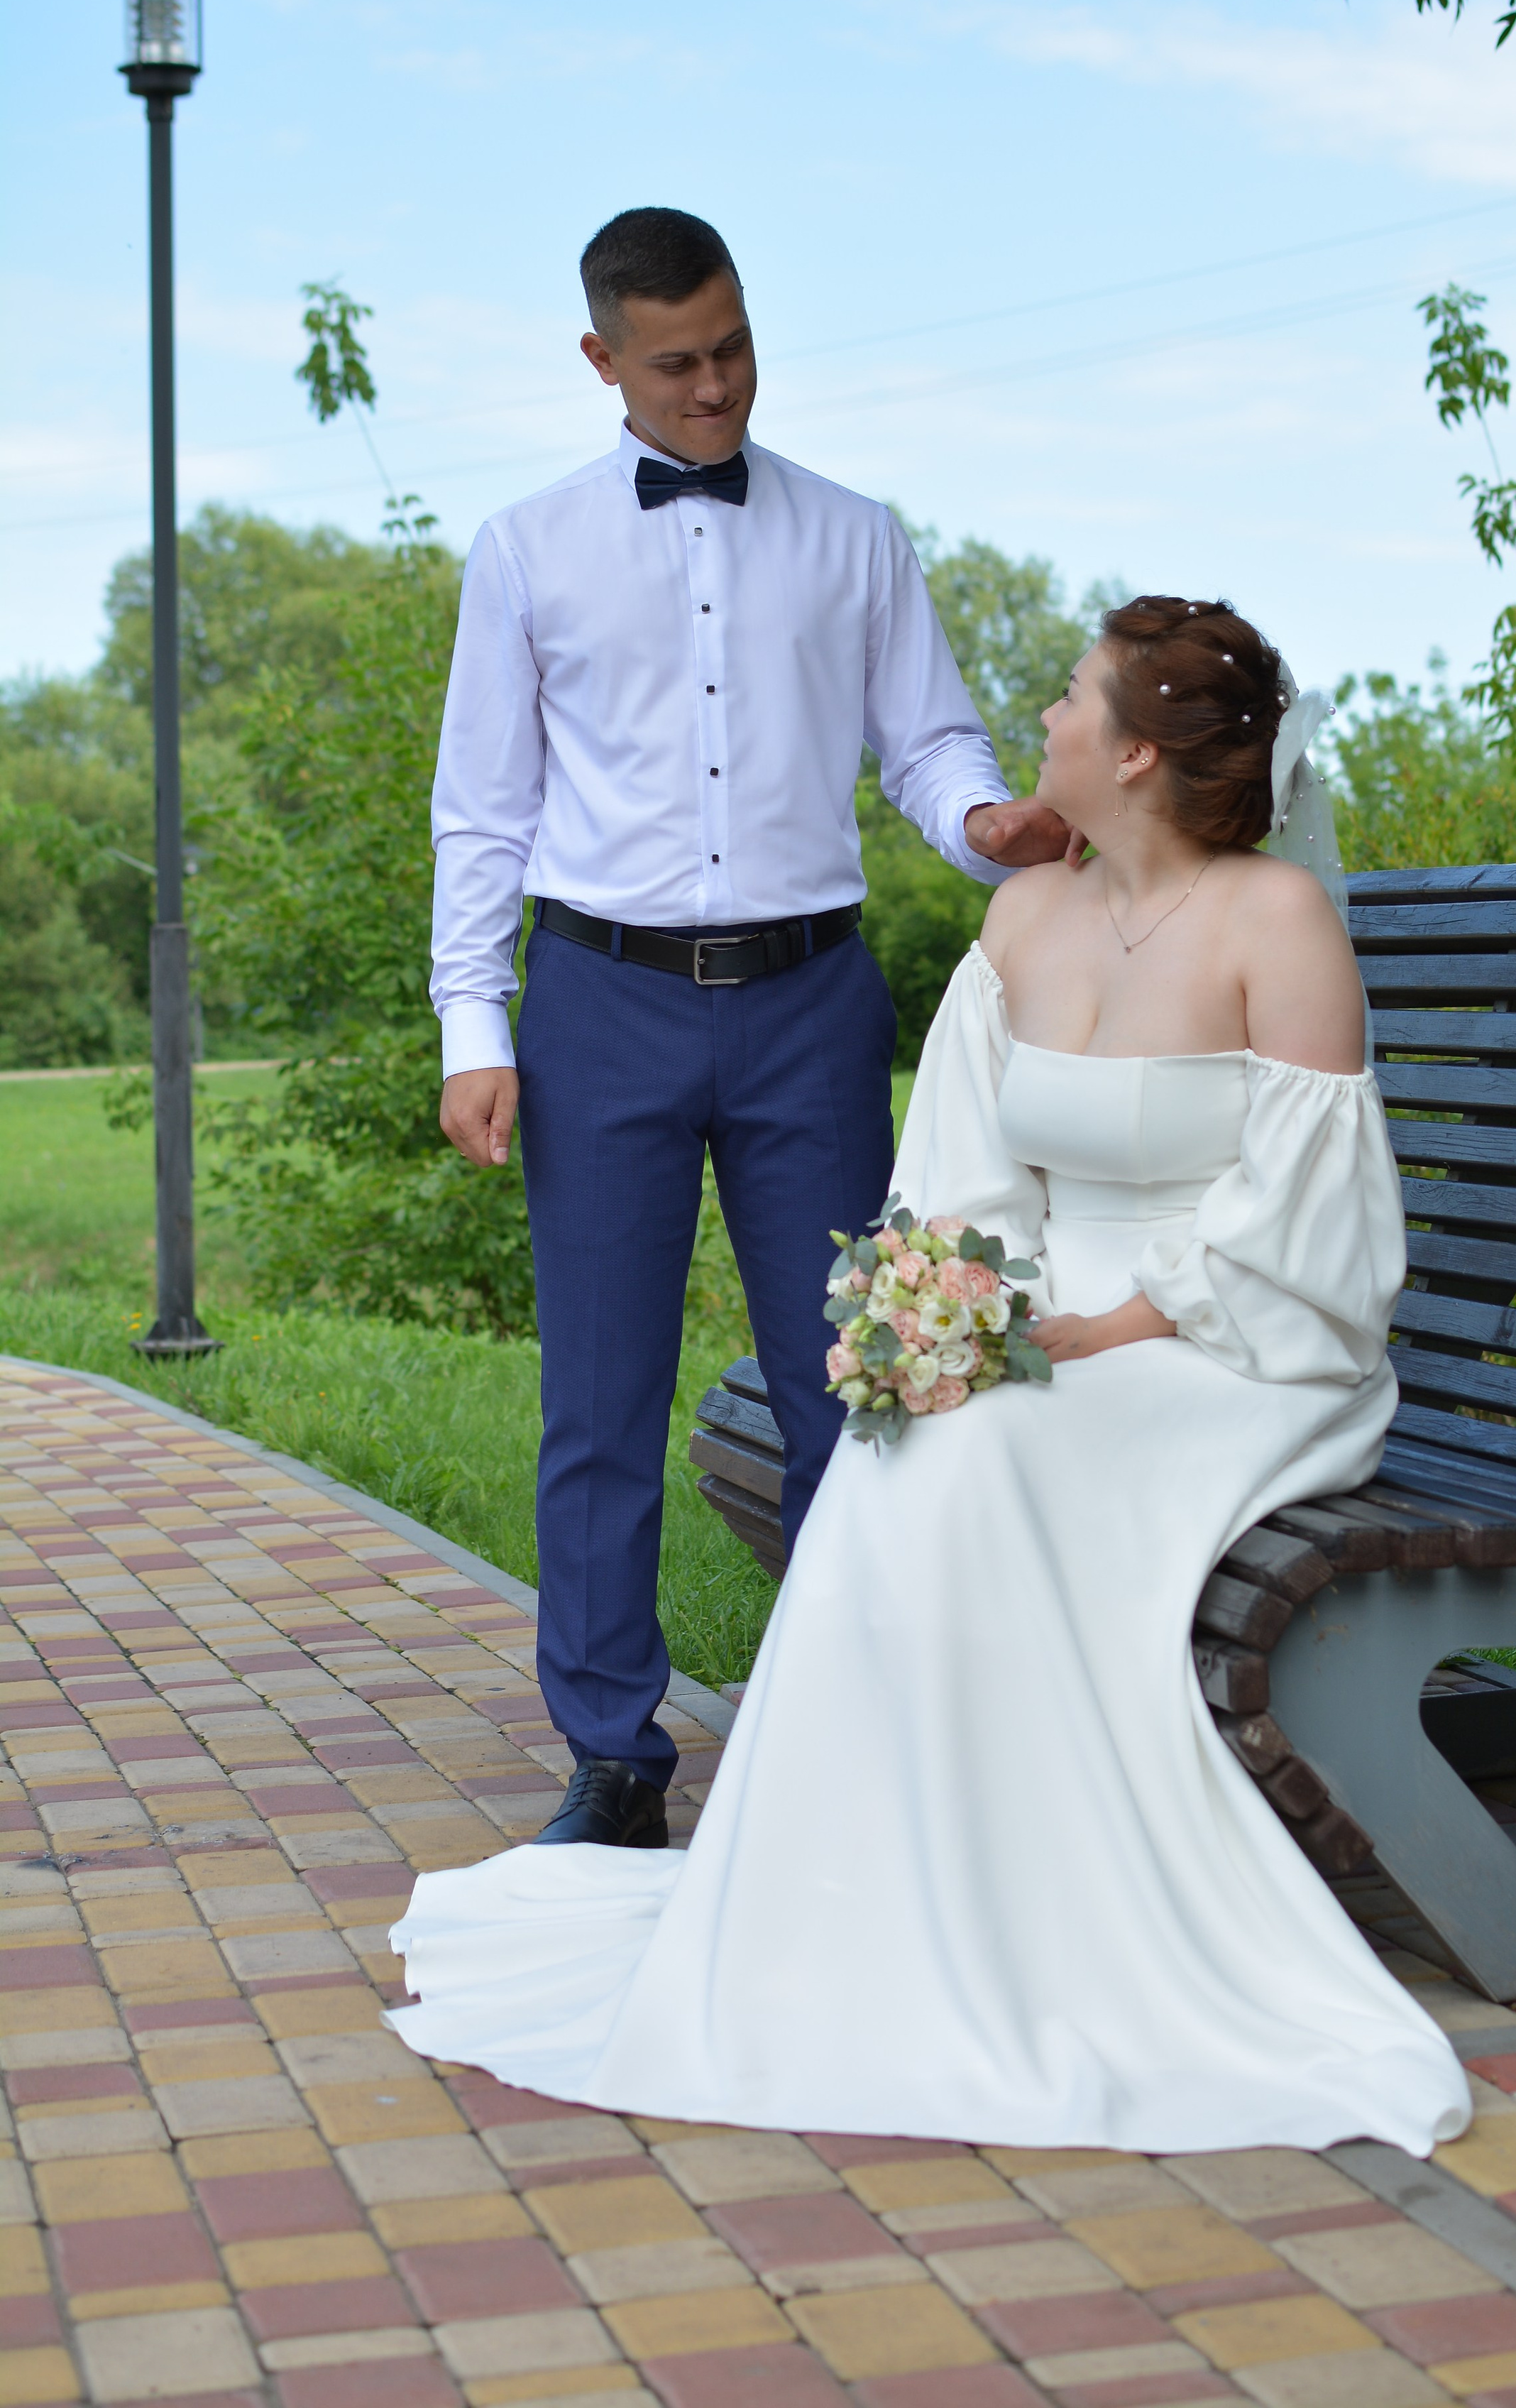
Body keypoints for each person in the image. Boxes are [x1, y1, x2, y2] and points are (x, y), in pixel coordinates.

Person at [392, 593, 1473, 2158]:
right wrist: (953, 1312)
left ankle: (1035, 1897)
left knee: (986, 1451)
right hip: (1057, 1326)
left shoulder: (1274, 922)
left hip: (1241, 1342)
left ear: (1139, 753)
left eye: (1072, 697)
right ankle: (869, 1895)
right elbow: (965, 1180)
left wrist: (1118, 1325)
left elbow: (1310, 1215)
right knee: (912, 1433)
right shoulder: (1026, 919)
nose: (1044, 720)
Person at [430, 208, 1076, 1852]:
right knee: (599, 1398)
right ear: (602, 360)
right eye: (674, 364)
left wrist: (983, 822)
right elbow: (483, 813)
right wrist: (470, 1025)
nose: (712, 387)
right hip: (600, 1005)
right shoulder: (524, 550)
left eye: (730, 349)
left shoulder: (855, 536)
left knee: (850, 1381)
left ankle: (843, 1729)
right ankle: (612, 1757)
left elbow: (927, 744)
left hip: (809, 1001)